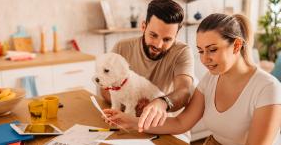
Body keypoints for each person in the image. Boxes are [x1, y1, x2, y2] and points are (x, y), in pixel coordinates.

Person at [103, 13, 281, 145]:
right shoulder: (211, 79)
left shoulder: (267, 88)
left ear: (236, 46)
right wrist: (131, 121)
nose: (204, 60)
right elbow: (181, 122)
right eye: (201, 51)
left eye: (212, 50)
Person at [100, 0, 194, 127]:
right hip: (125, 119)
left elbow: (184, 91)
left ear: (176, 36)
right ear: (143, 27)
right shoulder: (121, 47)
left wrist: (162, 103)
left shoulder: (182, 52)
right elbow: (105, 88)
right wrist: (128, 102)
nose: (158, 45)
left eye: (167, 39)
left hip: (164, 124)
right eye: (153, 35)